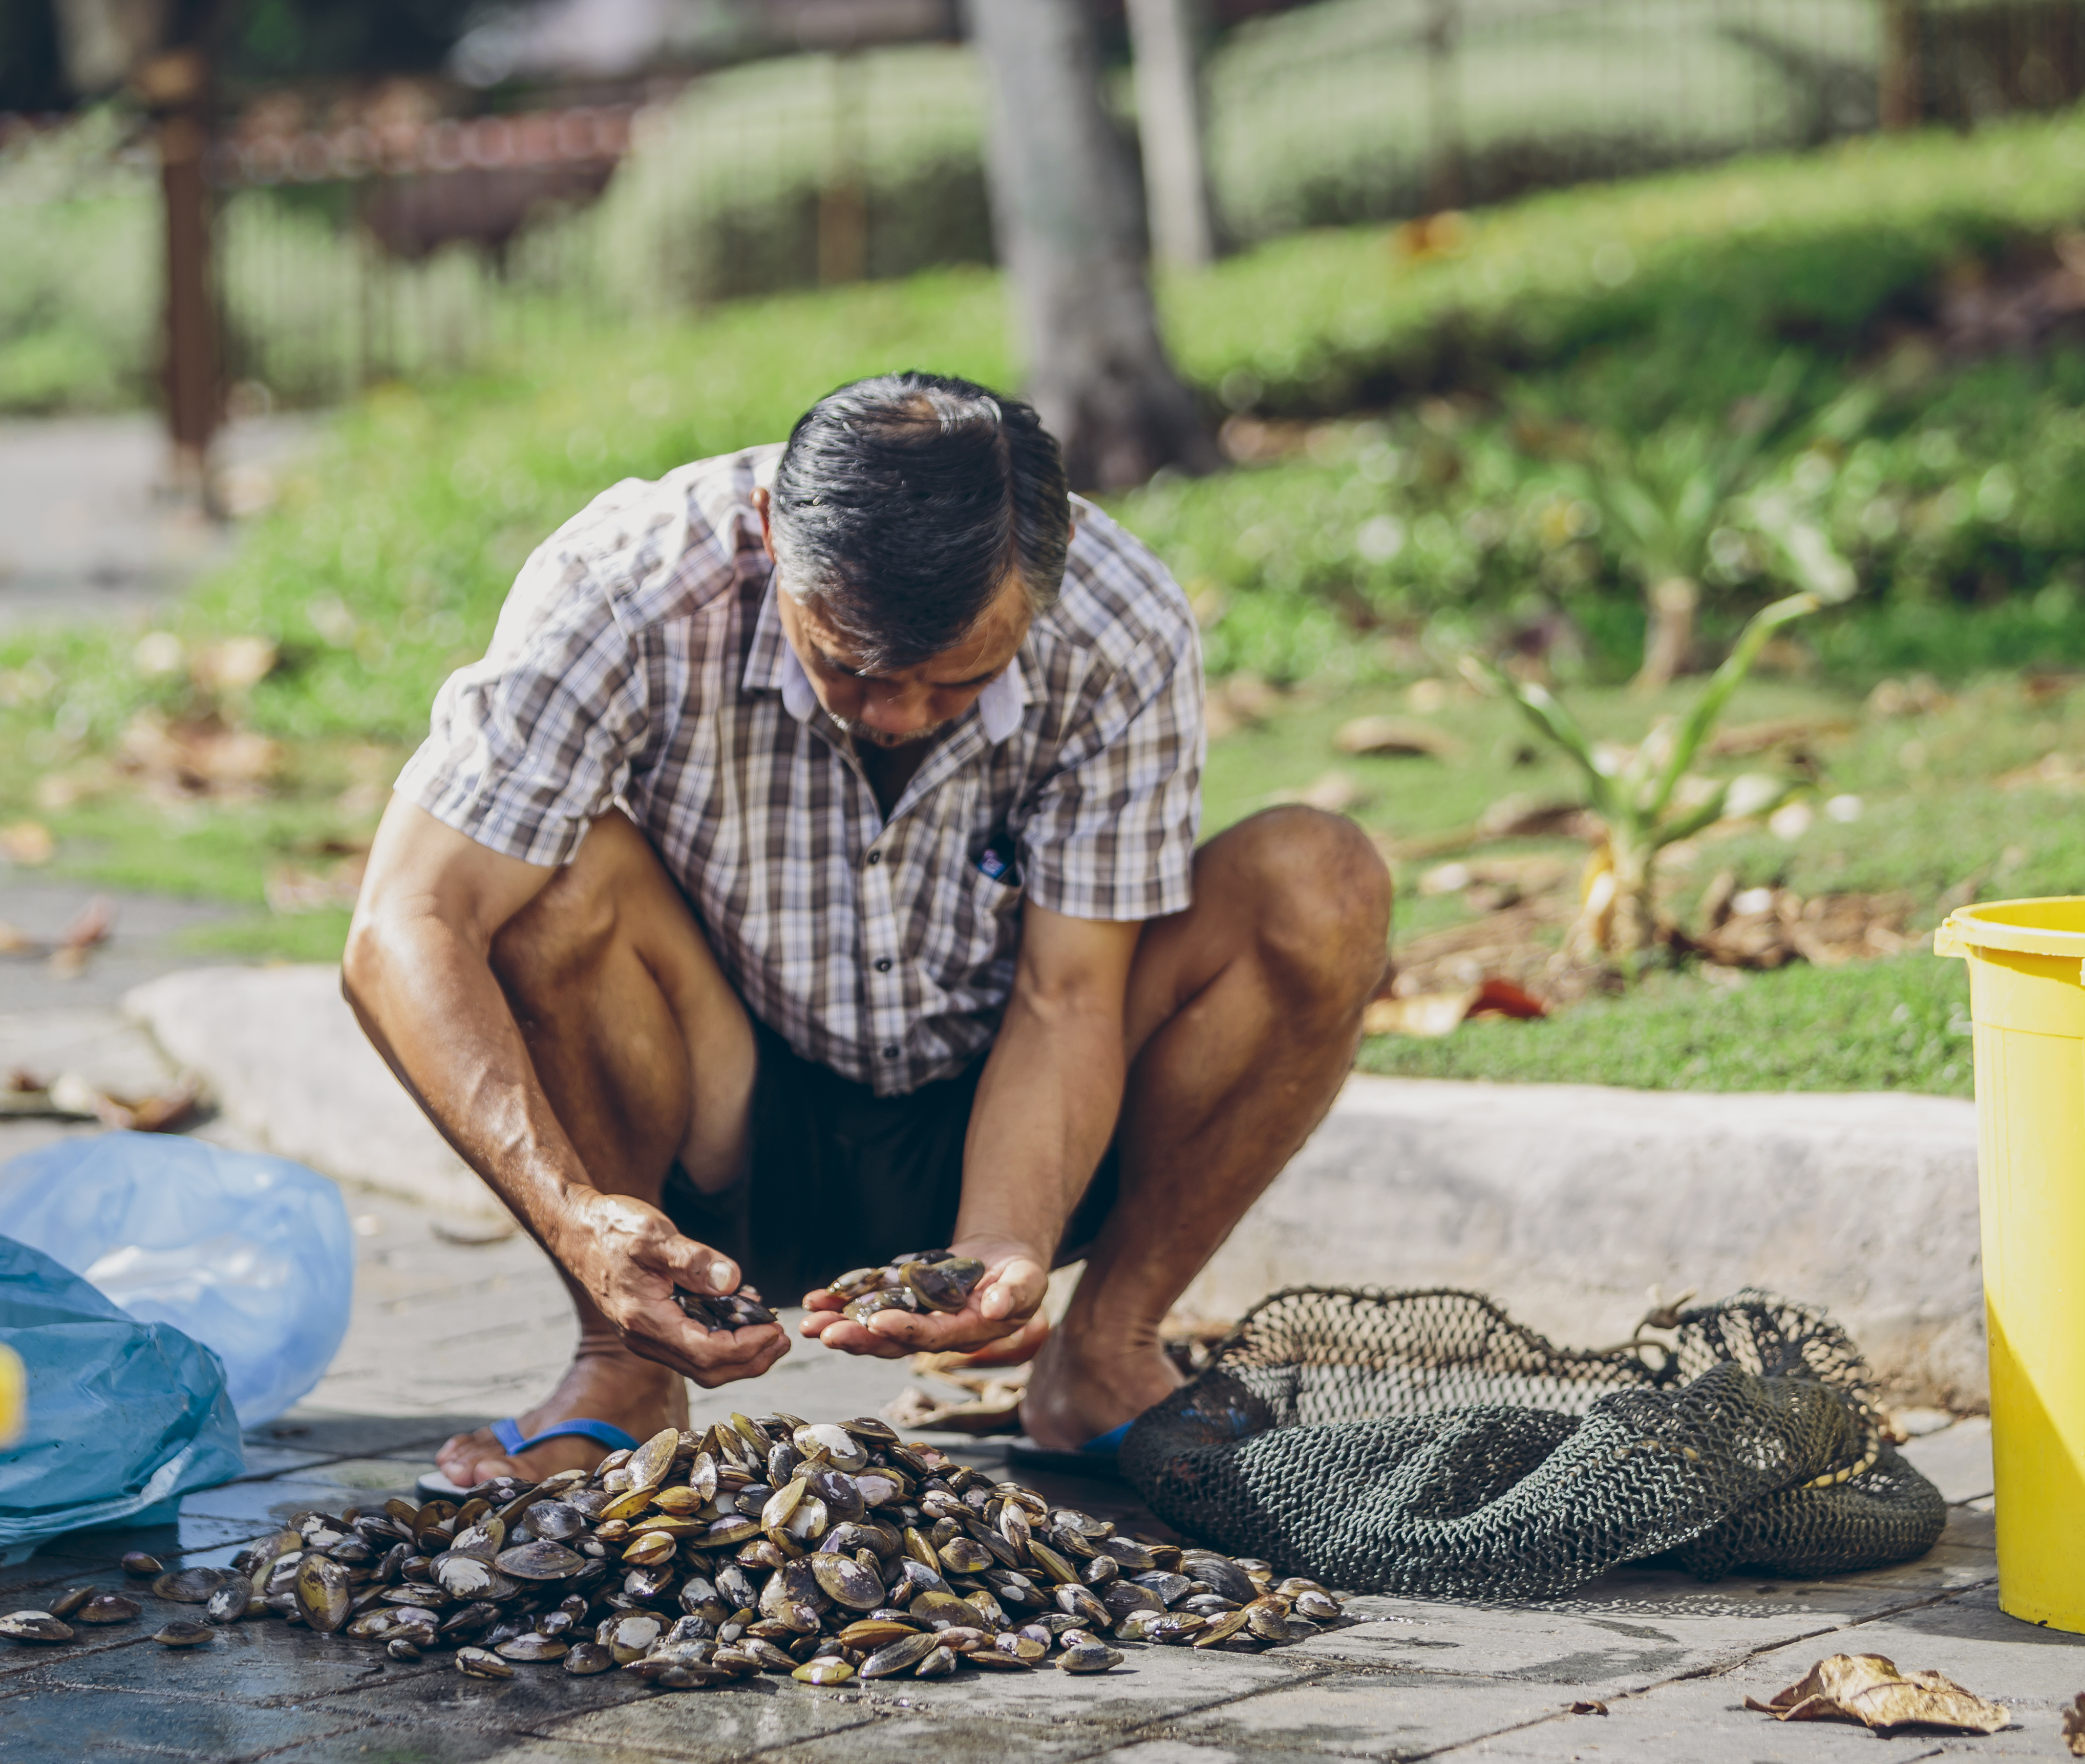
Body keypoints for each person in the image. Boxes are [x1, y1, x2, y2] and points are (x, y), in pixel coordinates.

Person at [343, 372, 1390, 1489]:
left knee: (1318, 881)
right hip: (712, 1128)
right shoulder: (623, 585)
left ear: (1046, 587)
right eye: (845, 662)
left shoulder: (1116, 621)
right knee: (544, 875)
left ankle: (1105, 1353)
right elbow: (403, 923)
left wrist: (1007, 1238)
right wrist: (577, 1217)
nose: (891, 715)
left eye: (959, 683)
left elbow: (1069, 996)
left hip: (1007, 1112)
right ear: (767, 537)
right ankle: (622, 1365)